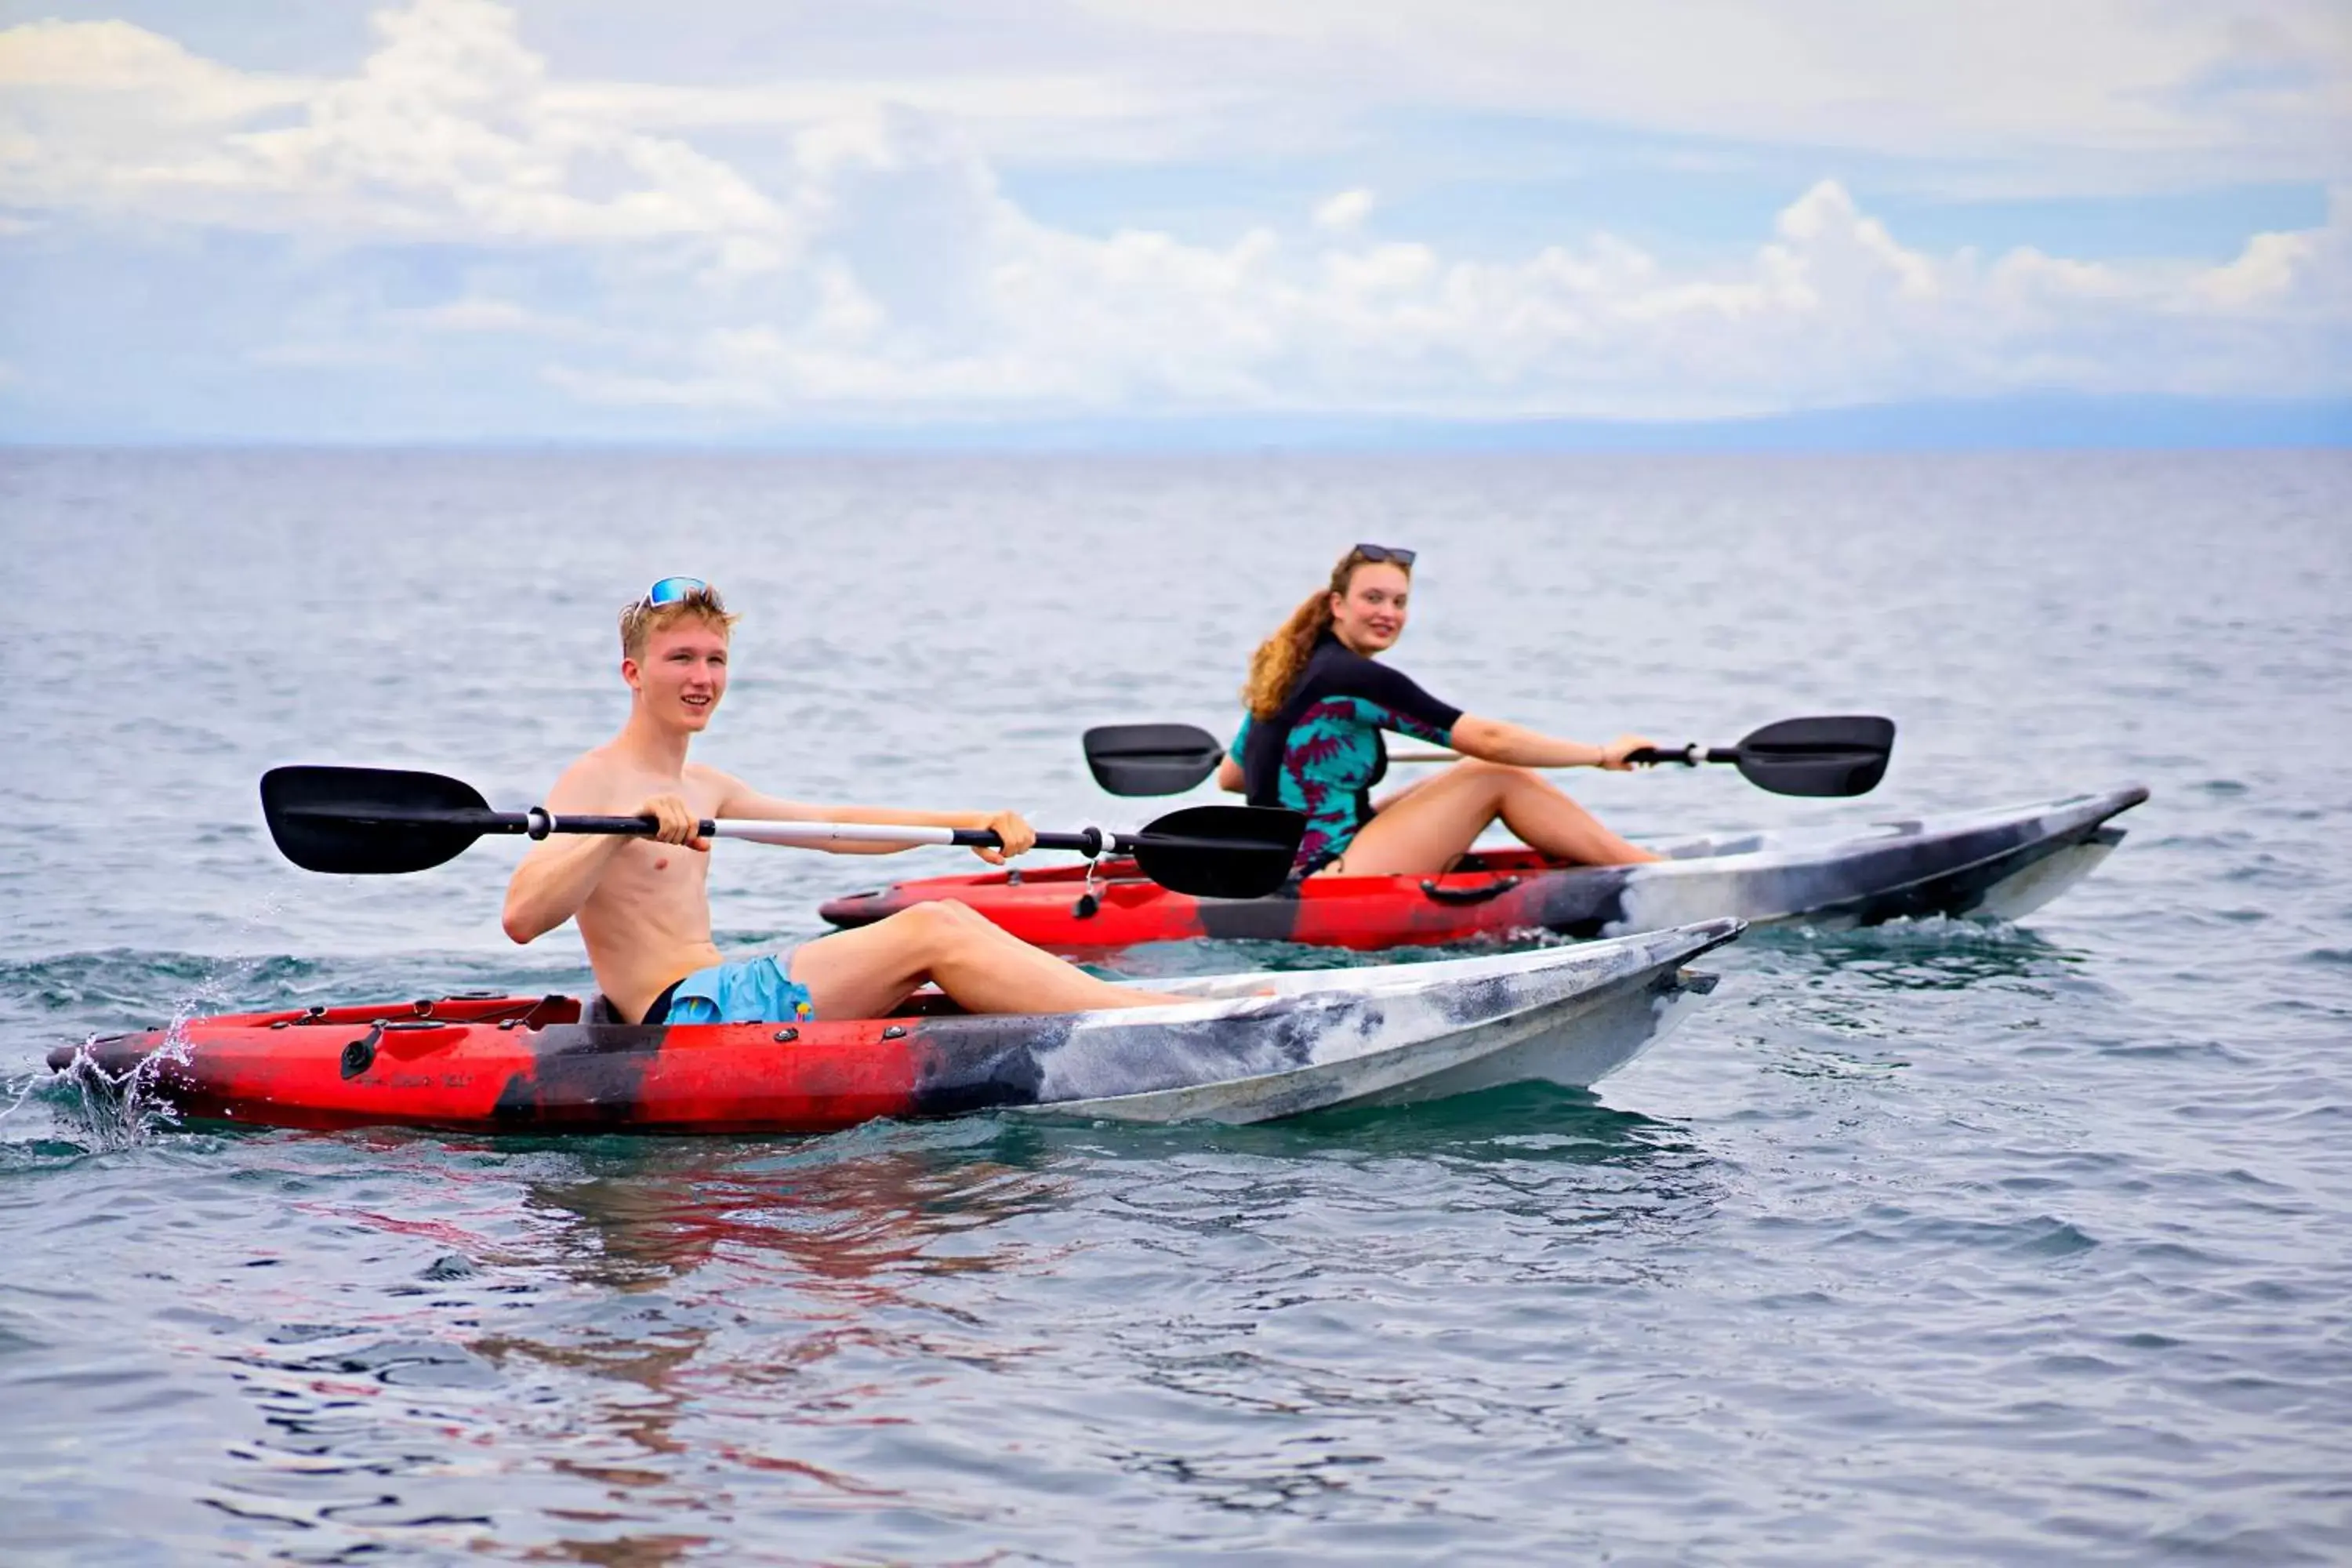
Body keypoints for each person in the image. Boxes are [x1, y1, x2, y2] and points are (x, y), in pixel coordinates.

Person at [503, 577, 1186, 1025]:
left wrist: (967, 822)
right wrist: (621, 832)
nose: (703, 678)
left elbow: (836, 831)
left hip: (721, 991)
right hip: (677, 1012)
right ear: (634, 672)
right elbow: (523, 918)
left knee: (948, 917)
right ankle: (1154, 1017)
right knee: (932, 930)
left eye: (715, 660)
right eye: (681, 658)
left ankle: (1141, 1007)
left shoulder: (707, 785)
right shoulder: (594, 780)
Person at [1216, 544, 1664, 878]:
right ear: (1338, 604)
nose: (1388, 613)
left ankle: (1625, 860)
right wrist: (1602, 755)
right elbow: (1491, 741)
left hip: (1280, 869)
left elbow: (1234, 776)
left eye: (1399, 601)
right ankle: (1655, 874)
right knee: (1495, 773)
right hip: (1324, 875)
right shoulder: (1353, 677)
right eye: (1373, 598)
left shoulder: (1289, 669)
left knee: (1475, 769)